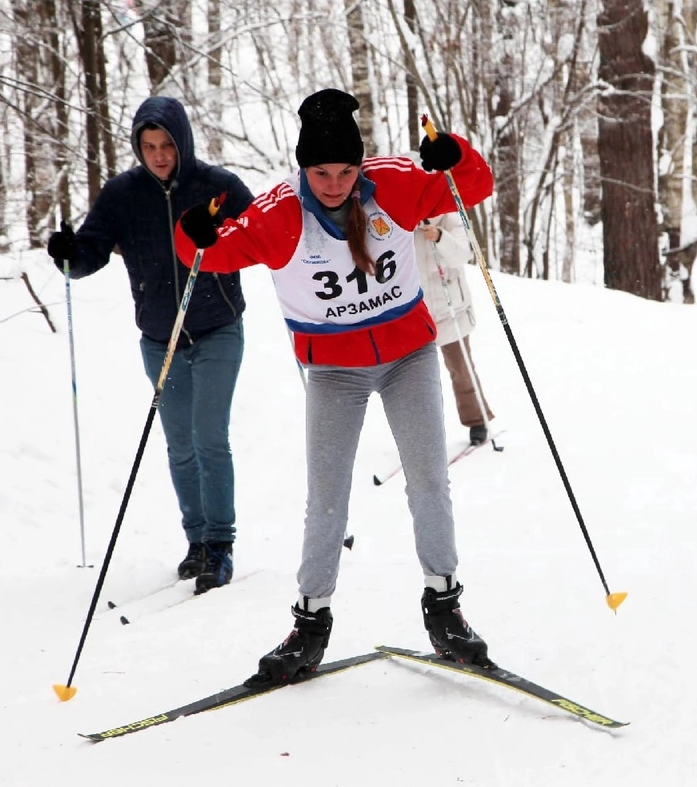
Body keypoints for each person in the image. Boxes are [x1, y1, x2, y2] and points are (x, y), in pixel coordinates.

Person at [174, 89, 496, 685]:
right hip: (334, 372)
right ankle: (310, 624)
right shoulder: (277, 215)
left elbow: (471, 185)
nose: (334, 183)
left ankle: (445, 608)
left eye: (346, 170)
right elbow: (206, 256)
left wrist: (454, 153)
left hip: (408, 356)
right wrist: (192, 231)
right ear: (304, 167)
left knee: (429, 480)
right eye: (321, 172)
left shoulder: (394, 183)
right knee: (326, 497)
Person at [46, 97, 254, 595]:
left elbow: (261, 233)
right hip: (159, 338)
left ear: (181, 142)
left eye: (166, 145)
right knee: (180, 445)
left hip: (217, 326)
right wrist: (71, 254)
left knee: (209, 435)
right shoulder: (122, 194)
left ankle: (220, 544)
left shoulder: (218, 187)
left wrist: (223, 235)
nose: (159, 155)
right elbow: (92, 250)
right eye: (148, 146)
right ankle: (197, 540)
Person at [413, 210, 495, 445]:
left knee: (461, 369)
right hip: (418, 310)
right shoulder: (404, 215)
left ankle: (477, 420)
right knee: (417, 379)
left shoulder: (450, 215)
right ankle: (421, 433)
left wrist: (440, 237)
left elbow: (464, 253)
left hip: (451, 309)